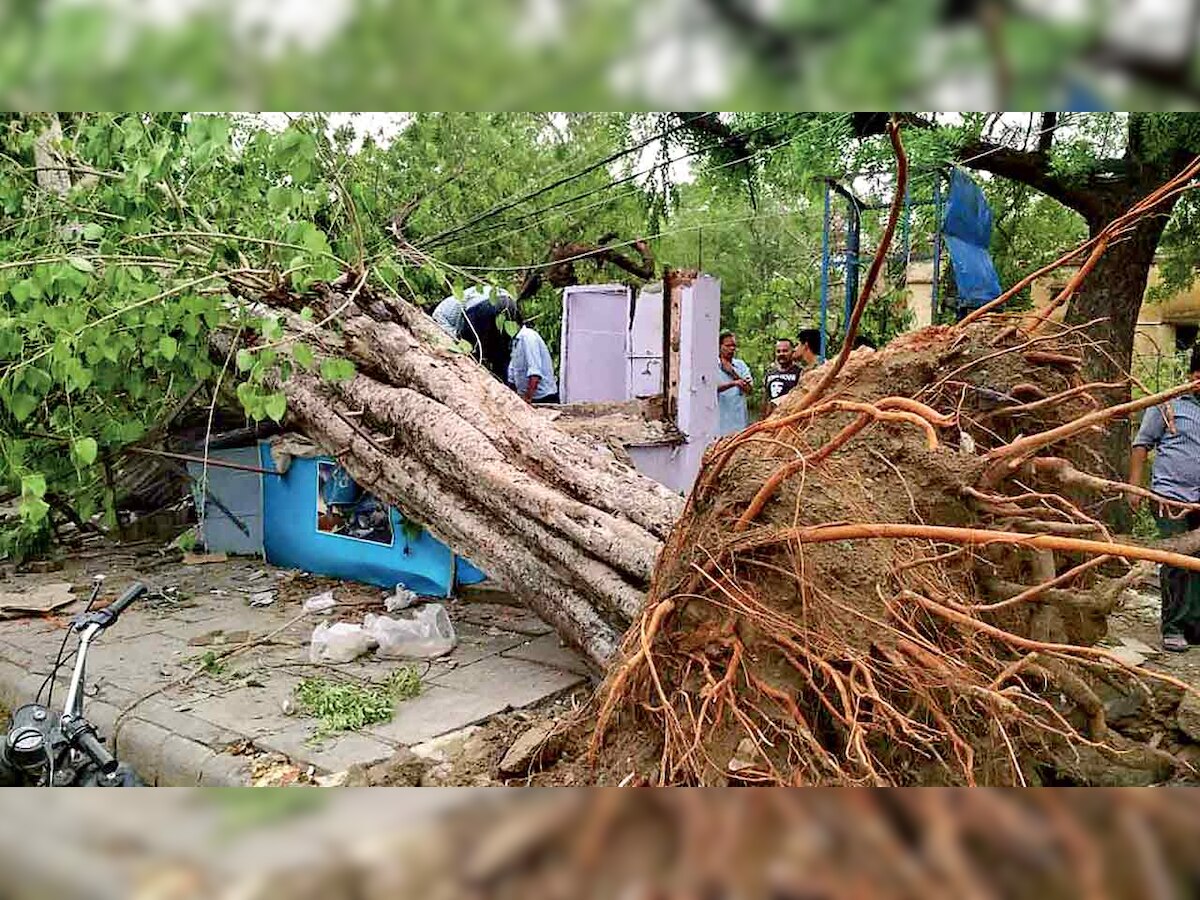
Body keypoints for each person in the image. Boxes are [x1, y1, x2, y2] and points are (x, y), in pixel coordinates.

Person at [1128, 345, 1200, 652]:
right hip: (1170, 494)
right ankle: (1173, 627)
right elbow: (1142, 444)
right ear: (1195, 376)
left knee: (1196, 562)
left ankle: (1194, 625)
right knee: (1175, 561)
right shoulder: (1168, 404)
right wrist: (1134, 486)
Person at [508, 321, 559, 405]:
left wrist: (527, 398)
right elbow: (512, 374)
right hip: (528, 397)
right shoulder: (516, 340)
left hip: (542, 398)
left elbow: (535, 374)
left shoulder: (528, 337)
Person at [717, 331, 753, 436]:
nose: (732, 348)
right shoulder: (713, 365)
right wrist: (733, 384)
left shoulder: (741, 365)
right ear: (720, 346)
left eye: (734, 346)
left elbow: (749, 389)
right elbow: (711, 388)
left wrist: (733, 373)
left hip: (739, 422)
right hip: (720, 422)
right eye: (728, 345)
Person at [762, 337, 802, 417]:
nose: (781, 354)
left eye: (785, 351)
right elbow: (766, 398)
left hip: (790, 417)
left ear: (792, 352)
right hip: (771, 419)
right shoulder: (770, 373)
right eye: (778, 351)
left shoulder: (800, 372)